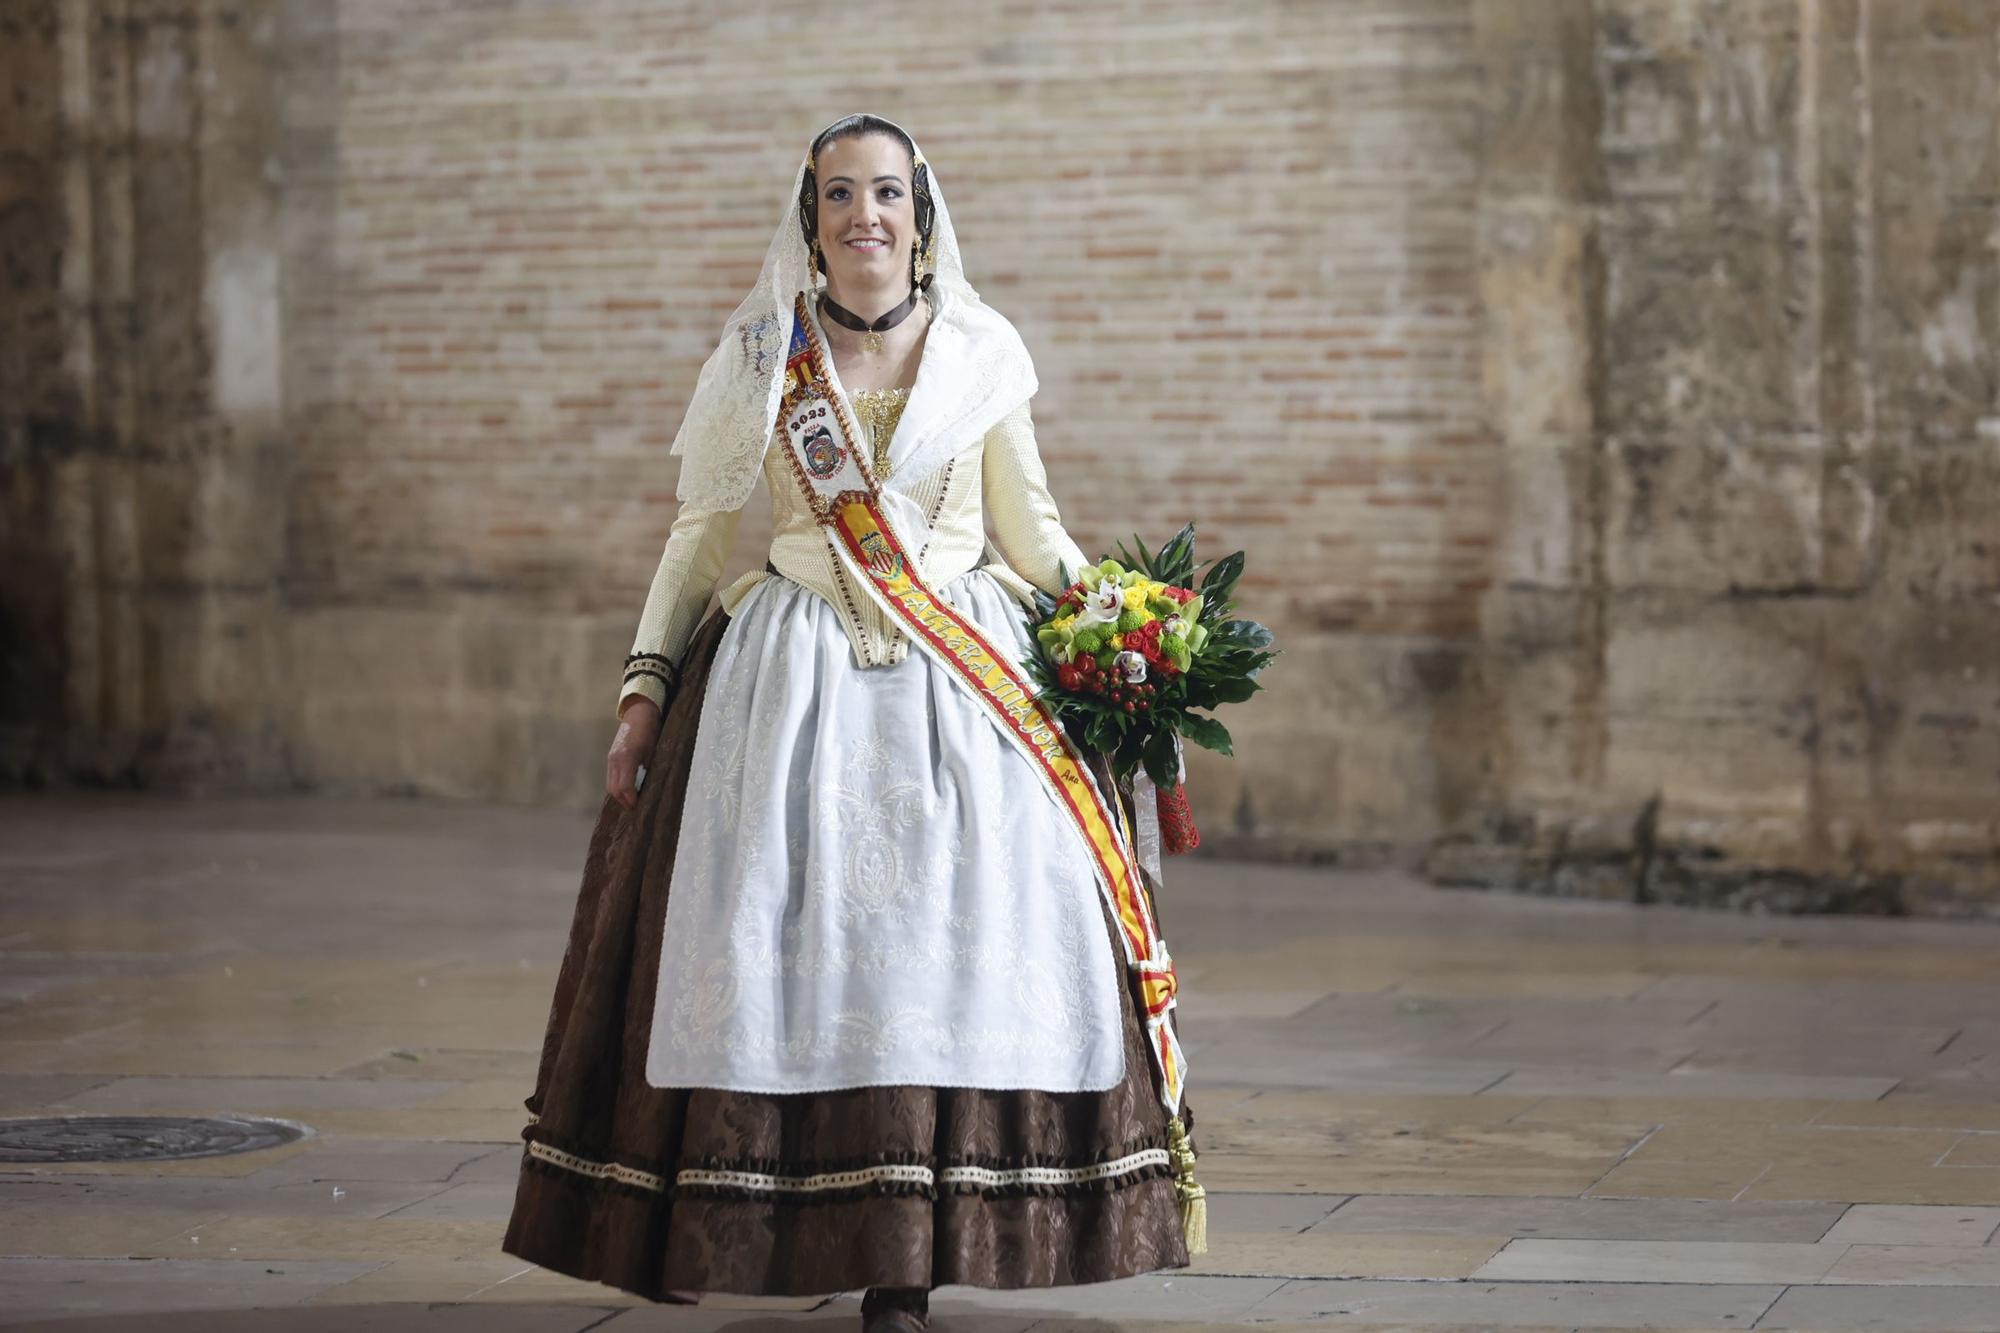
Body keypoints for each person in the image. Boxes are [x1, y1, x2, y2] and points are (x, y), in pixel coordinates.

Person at [502, 114, 1202, 1333]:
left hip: (961, 694)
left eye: (886, 193)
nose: (863, 215)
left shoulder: (981, 353)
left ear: (920, 215)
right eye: (838, 195)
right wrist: (642, 689)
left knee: (932, 962)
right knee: (789, 962)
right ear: (810, 218)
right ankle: (794, 1217)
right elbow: (695, 537)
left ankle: (905, 1257)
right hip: (785, 695)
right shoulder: (759, 357)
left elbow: (1029, 536)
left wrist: (1129, 636)